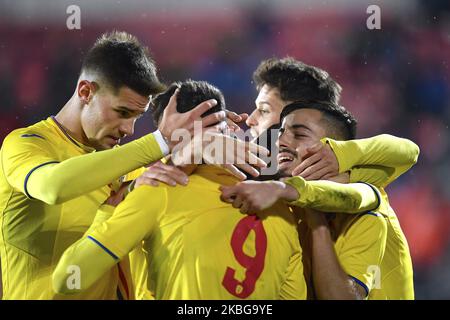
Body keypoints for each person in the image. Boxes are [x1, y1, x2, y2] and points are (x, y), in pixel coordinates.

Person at [0, 31, 262, 300]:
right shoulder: (26, 145)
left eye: (137, 116)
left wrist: (206, 137)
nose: (128, 128)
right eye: (122, 112)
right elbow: (54, 187)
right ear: (86, 91)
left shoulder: (124, 166)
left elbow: (170, 175)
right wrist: (159, 141)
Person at [52, 80, 307, 300]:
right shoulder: (280, 207)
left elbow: (68, 277)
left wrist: (113, 204)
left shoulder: (156, 191)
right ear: (229, 127)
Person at [220, 100, 418, 299]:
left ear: (331, 148)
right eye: (281, 133)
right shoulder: (283, 204)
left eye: (299, 134)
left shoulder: (367, 207)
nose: (280, 142)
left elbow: (409, 151)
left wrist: (313, 216)